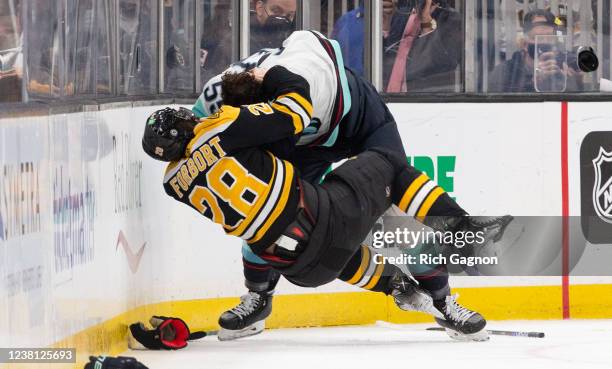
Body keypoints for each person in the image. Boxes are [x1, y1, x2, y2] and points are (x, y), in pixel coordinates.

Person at [143, 66, 513, 342]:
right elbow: (295, 107)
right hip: (327, 211)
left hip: (303, 269)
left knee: (278, 235)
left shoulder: (172, 184)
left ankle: (406, 291)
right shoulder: (223, 123)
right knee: (390, 166)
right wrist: (272, 76)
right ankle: (459, 233)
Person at [331, 0, 462, 92]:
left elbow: (442, 66)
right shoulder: (401, 16)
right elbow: (380, 67)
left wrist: (426, 23)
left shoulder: (450, 19)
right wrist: (385, 24)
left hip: (424, 104)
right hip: (387, 101)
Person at [200, 0, 296, 83]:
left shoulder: (291, 44)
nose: (283, 19)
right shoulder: (235, 42)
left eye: (289, 15)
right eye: (276, 11)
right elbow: (218, 83)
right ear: (260, 8)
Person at [488, 9, 583, 93]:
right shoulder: (506, 71)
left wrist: (574, 81)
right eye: (539, 38)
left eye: (550, 38)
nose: (545, 43)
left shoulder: (563, 66)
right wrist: (533, 83)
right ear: (524, 44)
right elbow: (500, 106)